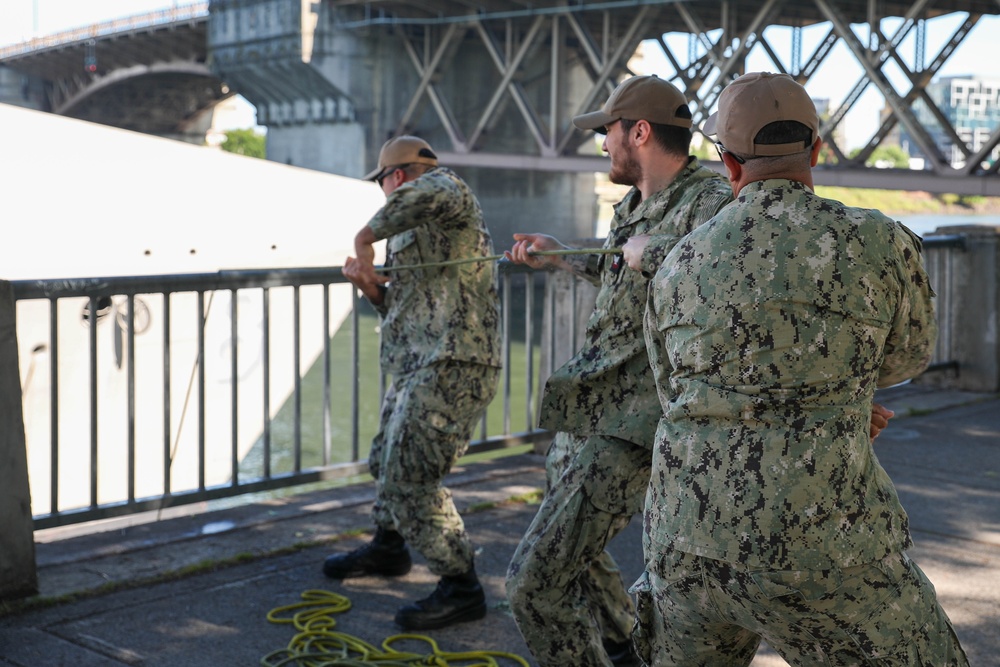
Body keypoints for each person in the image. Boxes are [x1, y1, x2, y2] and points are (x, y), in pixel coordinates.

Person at [635, 72, 968, 666]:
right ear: (816, 151)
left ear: (728, 164)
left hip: (686, 542)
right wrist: (830, 392)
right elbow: (906, 357)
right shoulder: (879, 242)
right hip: (823, 545)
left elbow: (677, 393)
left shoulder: (677, 262)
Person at [503, 75, 735, 667]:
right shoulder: (633, 206)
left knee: (533, 586)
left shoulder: (707, 202)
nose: (602, 144)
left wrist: (650, 252)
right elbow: (628, 282)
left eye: (606, 131)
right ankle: (623, 645)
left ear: (638, 131)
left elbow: (724, 277)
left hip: (629, 426)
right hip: (592, 410)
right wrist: (563, 256)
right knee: (574, 559)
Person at [324, 135, 502, 632]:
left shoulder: (445, 191)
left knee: (409, 478)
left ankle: (461, 586)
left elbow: (436, 190)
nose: (383, 192)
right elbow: (401, 304)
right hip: (418, 362)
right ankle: (388, 547)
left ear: (395, 177)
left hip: (454, 362)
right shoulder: (409, 234)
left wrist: (364, 238)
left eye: (383, 182)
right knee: (386, 460)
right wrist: (370, 284)